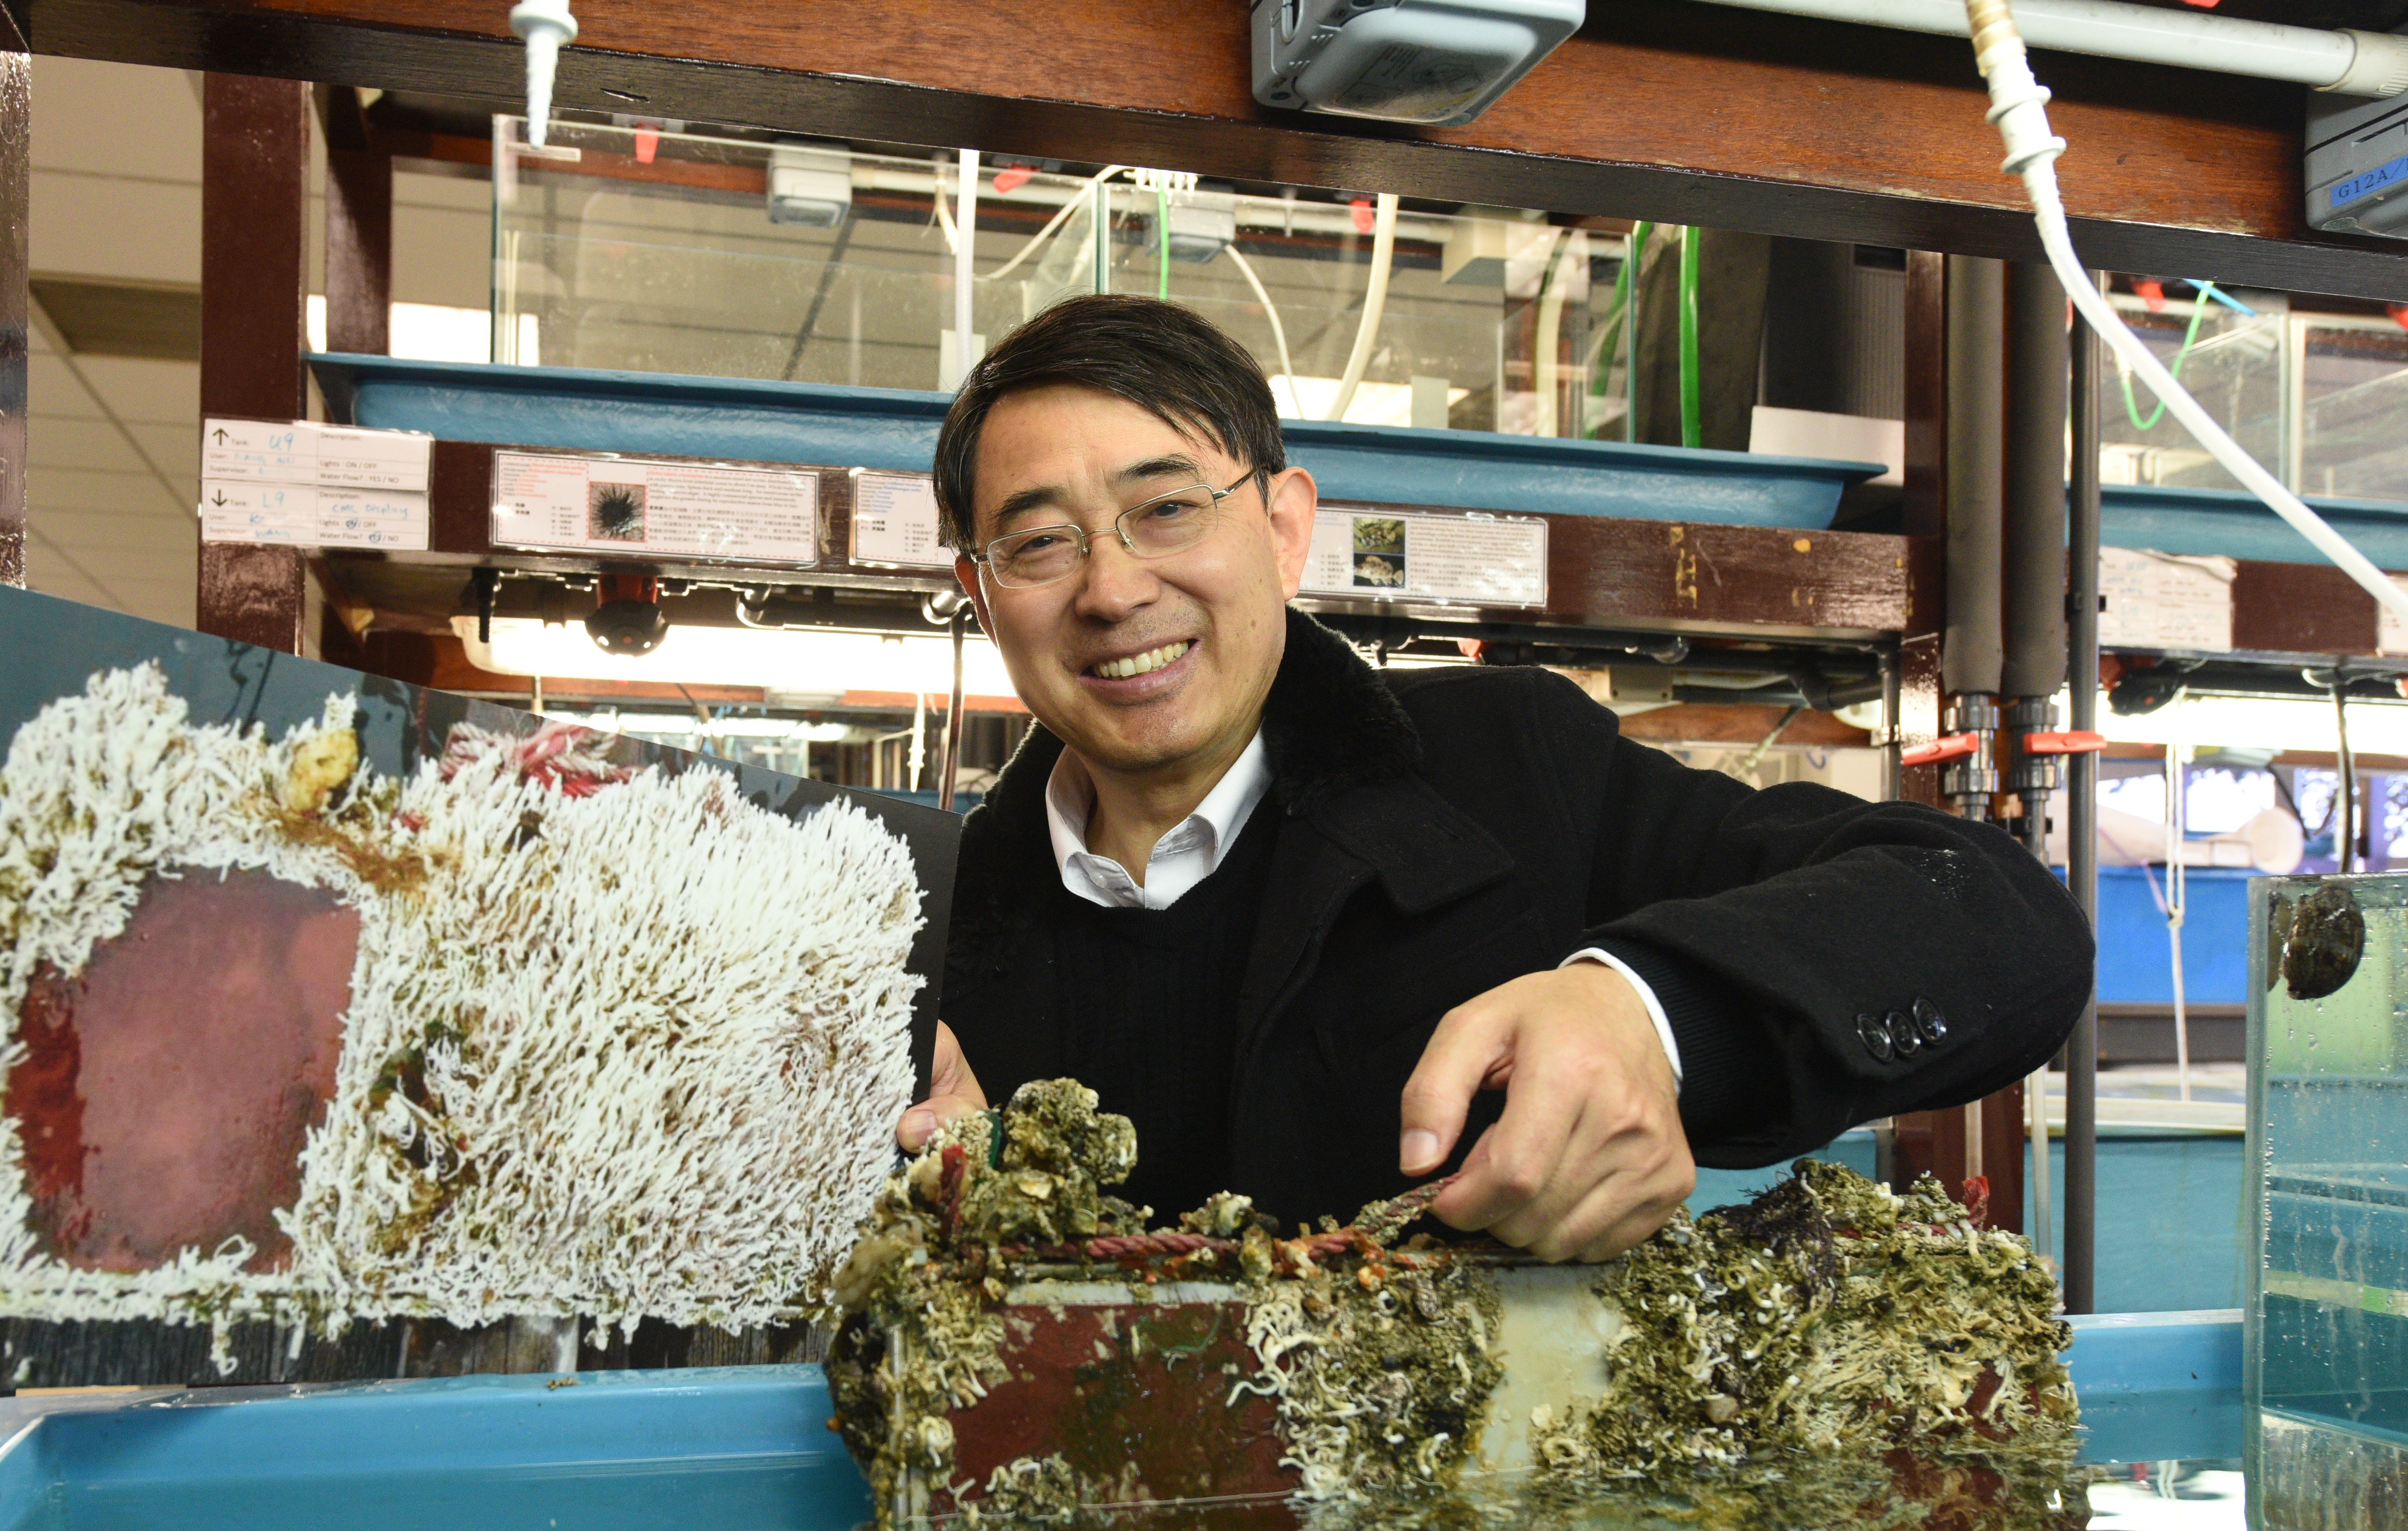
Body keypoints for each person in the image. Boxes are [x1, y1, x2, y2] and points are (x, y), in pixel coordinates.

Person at [896, 296, 2093, 1261]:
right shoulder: (921, 936)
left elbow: (1999, 918)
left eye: (1165, 509)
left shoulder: (1507, 771)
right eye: (1041, 541)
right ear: (979, 589)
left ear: (1283, 527)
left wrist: (1651, 1011)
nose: (1111, 589)